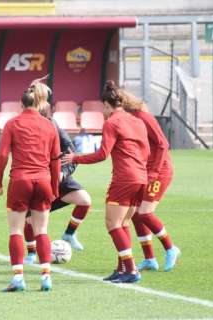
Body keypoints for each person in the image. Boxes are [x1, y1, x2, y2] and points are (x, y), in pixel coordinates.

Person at [63, 80, 150, 283]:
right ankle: (122, 269)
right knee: (124, 223)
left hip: (124, 179)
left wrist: (76, 158)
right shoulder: (137, 121)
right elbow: (146, 151)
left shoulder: (111, 122)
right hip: (141, 177)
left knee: (112, 224)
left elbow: (102, 154)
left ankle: (131, 270)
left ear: (106, 105)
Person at [0, 81, 61, 292]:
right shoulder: (50, 125)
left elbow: (3, 154)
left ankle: (18, 278)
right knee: (42, 230)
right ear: (39, 104)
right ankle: (46, 277)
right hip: (43, 181)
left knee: (16, 230)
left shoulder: (12, 124)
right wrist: (55, 188)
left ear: (20, 104)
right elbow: (55, 160)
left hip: (20, 181)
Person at [23, 98, 92, 264]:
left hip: (59, 179)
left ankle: (69, 234)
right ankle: (32, 253)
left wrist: (62, 174)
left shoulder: (56, 128)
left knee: (85, 201)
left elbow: (71, 155)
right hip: (39, 181)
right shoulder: (28, 131)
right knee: (30, 221)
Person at [120, 91, 180, 272]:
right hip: (144, 171)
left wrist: (154, 171)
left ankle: (171, 248)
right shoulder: (128, 120)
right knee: (137, 215)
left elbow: (163, 144)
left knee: (145, 213)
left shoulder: (143, 117)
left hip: (159, 171)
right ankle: (150, 259)